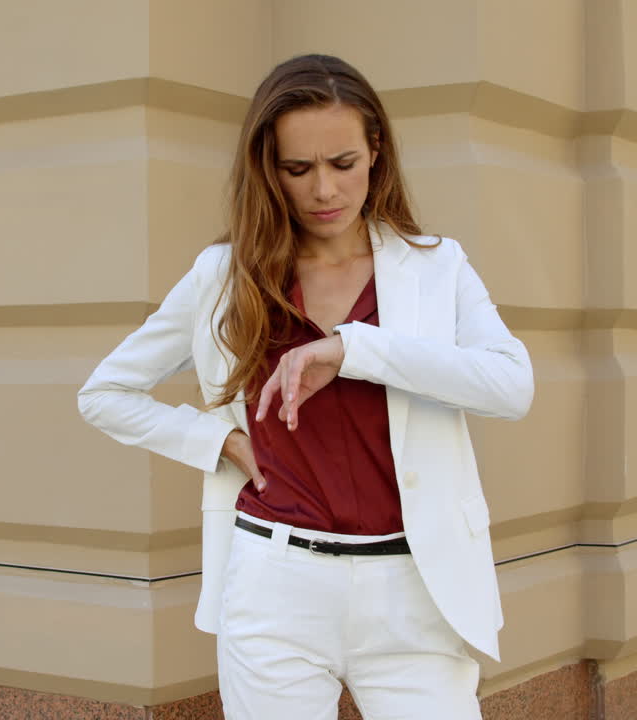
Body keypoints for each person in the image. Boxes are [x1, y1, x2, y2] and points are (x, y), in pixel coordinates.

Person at [78, 54, 533, 720]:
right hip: (276, 583)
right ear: (270, 169)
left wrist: (356, 349)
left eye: (343, 163)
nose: (324, 190)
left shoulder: (437, 267)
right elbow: (105, 393)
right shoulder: (225, 277)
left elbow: (511, 386)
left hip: (417, 586)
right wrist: (221, 440)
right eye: (298, 170)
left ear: (376, 150)